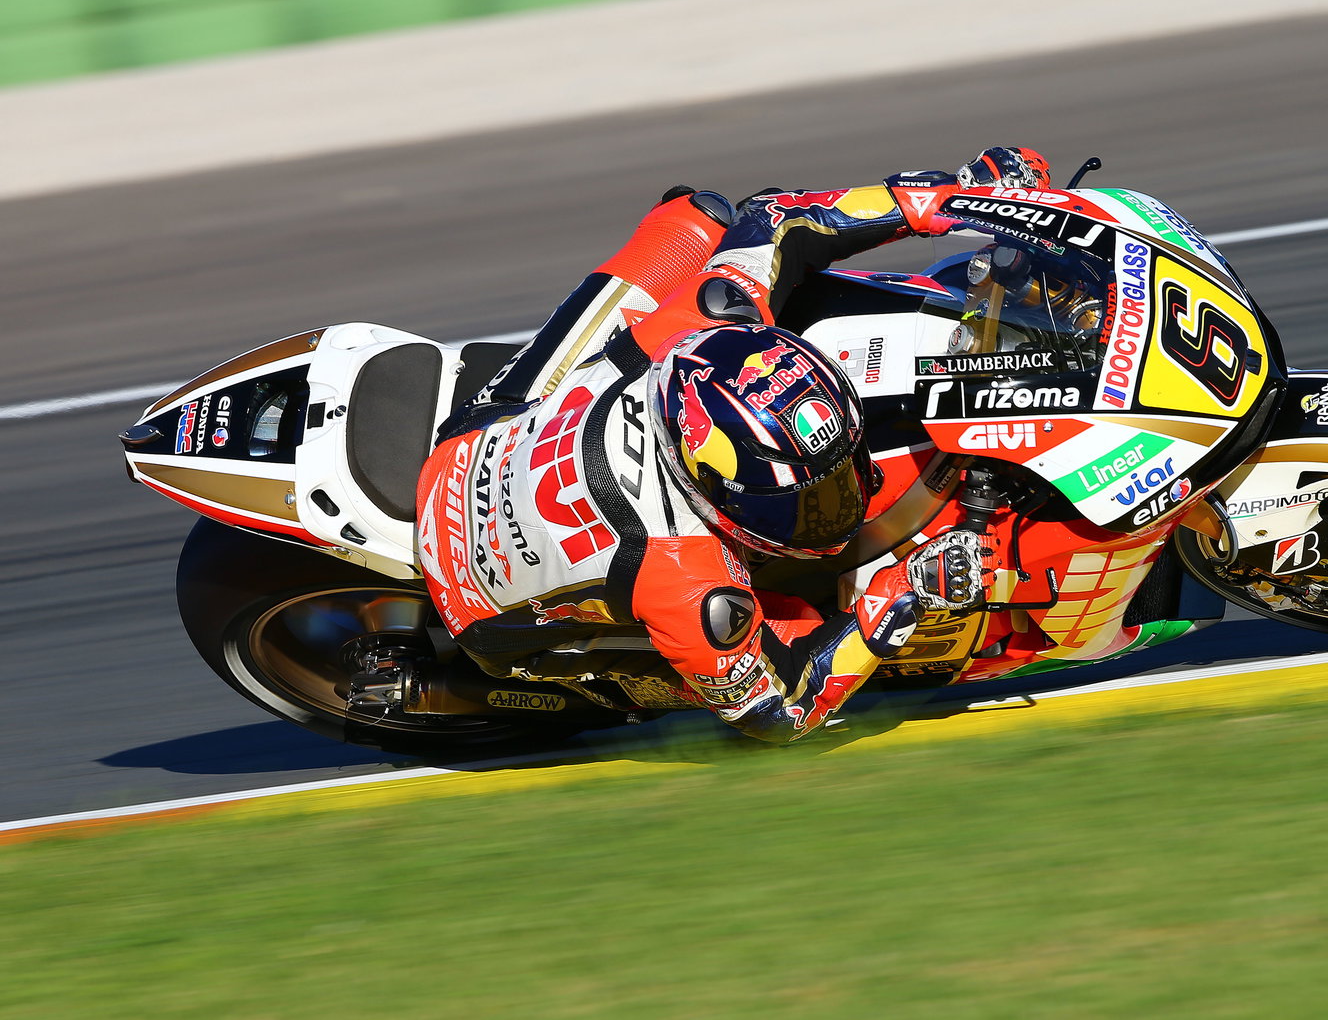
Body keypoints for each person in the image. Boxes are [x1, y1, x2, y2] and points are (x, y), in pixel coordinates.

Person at [414, 147, 1052, 742]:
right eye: (801, 501)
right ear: (711, 491)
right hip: (477, 590)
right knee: (799, 619)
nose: (847, 500)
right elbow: (779, 714)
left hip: (497, 431)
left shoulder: (703, 319)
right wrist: (895, 599)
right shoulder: (684, 576)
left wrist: (953, 199)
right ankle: (611, 678)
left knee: (698, 217)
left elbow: (776, 220)